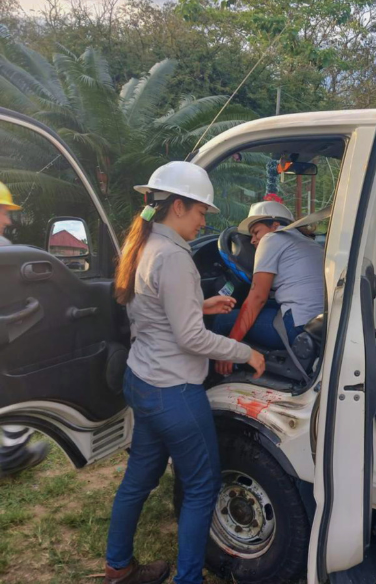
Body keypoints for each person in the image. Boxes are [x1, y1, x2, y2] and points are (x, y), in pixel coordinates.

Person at [104, 162, 265, 584]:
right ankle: (189, 578)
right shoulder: (174, 257)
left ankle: (117, 566)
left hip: (142, 379)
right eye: (200, 213)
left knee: (138, 479)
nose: (202, 222)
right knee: (201, 486)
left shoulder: (142, 244)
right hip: (173, 391)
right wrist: (245, 351)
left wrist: (201, 305)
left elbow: (150, 309)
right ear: (178, 206)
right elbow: (193, 340)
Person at [214, 200, 324, 376]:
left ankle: (220, 374)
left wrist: (230, 348)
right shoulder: (309, 243)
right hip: (318, 323)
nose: (253, 240)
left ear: (275, 225)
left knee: (222, 320)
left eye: (256, 232)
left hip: (296, 326)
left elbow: (258, 297)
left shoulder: (272, 239)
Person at [0, 181, 51, 478]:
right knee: (22, 385)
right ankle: (12, 453)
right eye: (3, 212)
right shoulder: (4, 250)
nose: (7, 220)